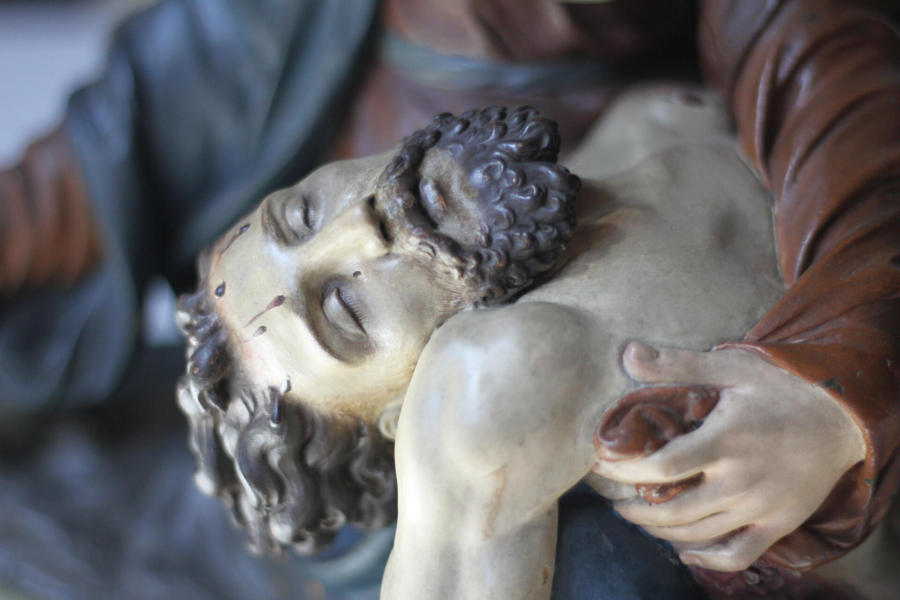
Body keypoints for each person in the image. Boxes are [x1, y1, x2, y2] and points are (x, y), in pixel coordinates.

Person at [1, 0, 899, 598]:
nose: (362, 224)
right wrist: (838, 394)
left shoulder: (566, 161)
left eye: (301, 212)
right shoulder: (503, 379)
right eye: (346, 312)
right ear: (407, 420)